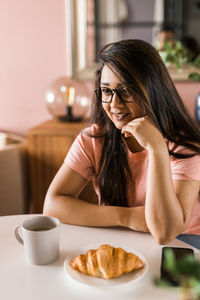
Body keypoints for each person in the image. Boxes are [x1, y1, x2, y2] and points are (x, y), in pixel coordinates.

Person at [43, 39, 200, 247]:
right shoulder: (94, 139)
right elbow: (53, 206)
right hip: (122, 238)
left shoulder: (183, 145)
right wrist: (128, 217)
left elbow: (165, 232)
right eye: (106, 91)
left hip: (182, 245)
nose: (114, 105)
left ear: (152, 90)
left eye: (126, 91)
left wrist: (157, 149)